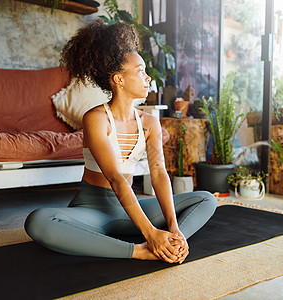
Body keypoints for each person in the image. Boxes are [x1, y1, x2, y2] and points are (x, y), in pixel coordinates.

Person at [24, 19, 217, 264]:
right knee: (38, 221)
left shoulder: (149, 122)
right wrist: (149, 233)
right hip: (92, 210)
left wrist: (174, 227)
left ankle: (171, 243)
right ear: (119, 79)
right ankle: (142, 250)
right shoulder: (96, 118)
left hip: (134, 207)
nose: (148, 78)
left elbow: (158, 173)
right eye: (141, 71)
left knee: (206, 199)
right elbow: (115, 178)